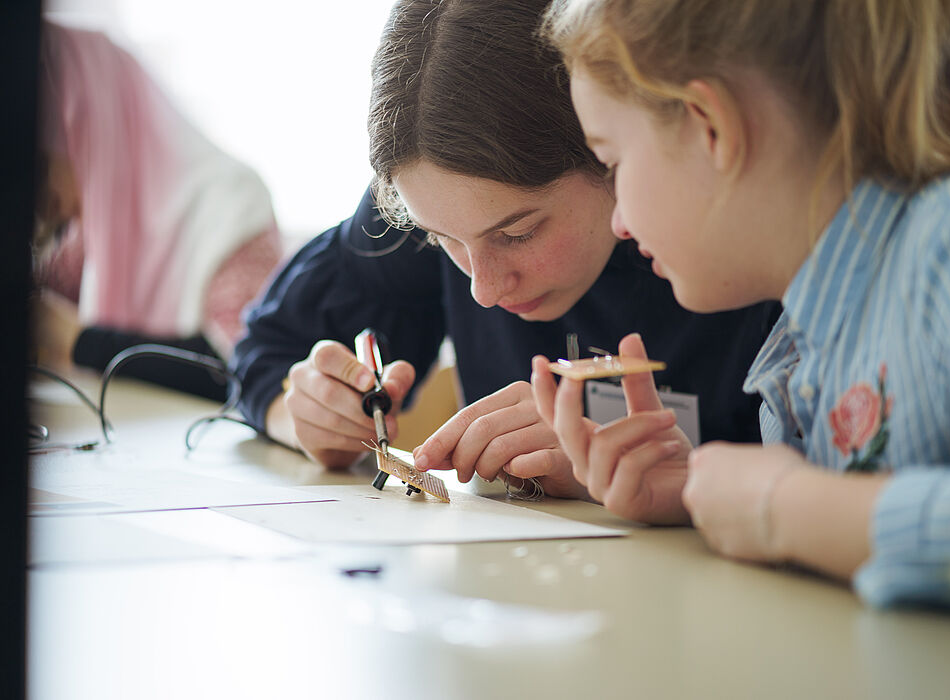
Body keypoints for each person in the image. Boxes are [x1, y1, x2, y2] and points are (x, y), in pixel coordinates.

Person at [533, 0, 950, 622]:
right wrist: (694, 489)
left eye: (613, 162)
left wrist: (779, 505)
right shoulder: (807, 326)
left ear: (710, 126)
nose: (617, 219)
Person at [229, 0, 780, 498]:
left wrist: (635, 472)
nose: (483, 289)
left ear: (608, 147)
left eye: (517, 234)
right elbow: (269, 349)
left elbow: (840, 484)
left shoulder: (751, 239)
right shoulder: (438, 197)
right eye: (440, 240)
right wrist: (301, 414)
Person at [34, 21, 283, 400]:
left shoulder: (231, 203)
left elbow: (239, 370)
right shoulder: (87, 229)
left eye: (41, 154)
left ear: (88, 124)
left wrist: (75, 338)